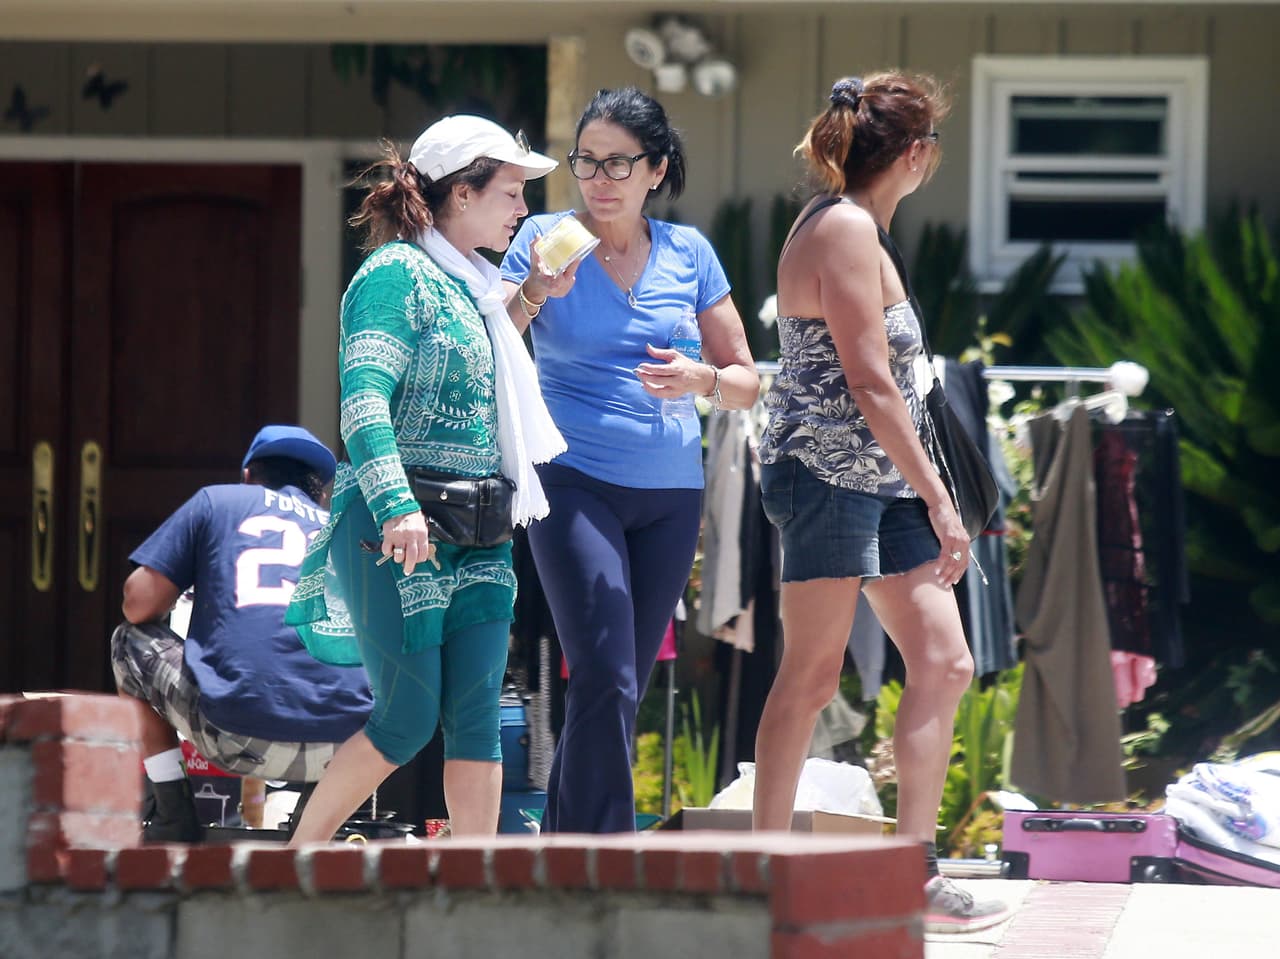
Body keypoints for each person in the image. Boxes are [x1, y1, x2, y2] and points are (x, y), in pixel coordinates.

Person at [751, 74, 1011, 933]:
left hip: (880, 477)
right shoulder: (846, 227)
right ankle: (764, 877)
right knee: (813, 673)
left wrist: (922, 486)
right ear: (916, 155)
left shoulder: (863, 228)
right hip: (825, 473)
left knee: (944, 661)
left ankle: (914, 874)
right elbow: (868, 379)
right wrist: (942, 498)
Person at [283, 115, 564, 844]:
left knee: (480, 717)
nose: (522, 210)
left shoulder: (474, 286)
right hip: (397, 526)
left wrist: (531, 294)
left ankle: (477, 883)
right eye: (509, 192)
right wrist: (398, 505)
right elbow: (362, 402)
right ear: (462, 195)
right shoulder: (393, 276)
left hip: (482, 530)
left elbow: (481, 354)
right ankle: (296, 857)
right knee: (406, 718)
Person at [500, 87, 758, 833]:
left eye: (619, 162)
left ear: (657, 169)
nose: (600, 178)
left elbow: (744, 380)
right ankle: (612, 847)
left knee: (621, 686)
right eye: (587, 161)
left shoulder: (690, 254)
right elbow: (496, 338)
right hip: (571, 480)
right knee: (606, 670)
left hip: (670, 493)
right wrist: (535, 293)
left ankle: (564, 844)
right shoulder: (546, 239)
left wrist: (700, 378)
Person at [111, 424, 373, 842]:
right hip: (349, 756)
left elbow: (138, 603)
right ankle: (316, 814)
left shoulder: (219, 501)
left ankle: (172, 811)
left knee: (128, 642)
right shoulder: (347, 530)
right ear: (321, 493)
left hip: (230, 733)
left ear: (249, 475)